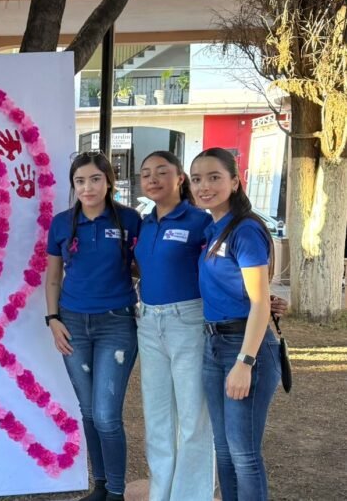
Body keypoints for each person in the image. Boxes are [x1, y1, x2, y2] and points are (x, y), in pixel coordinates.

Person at [45, 151, 142, 501]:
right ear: (73, 186)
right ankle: (99, 486)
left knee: (105, 413)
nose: (88, 187)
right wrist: (52, 319)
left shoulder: (131, 220)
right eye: (80, 181)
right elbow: (53, 277)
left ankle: (116, 492)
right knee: (88, 411)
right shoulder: (61, 223)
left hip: (116, 324)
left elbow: (147, 267)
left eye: (95, 179)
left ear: (108, 182)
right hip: (72, 324)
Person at [190, 147, 281, 501]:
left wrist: (245, 362)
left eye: (214, 177)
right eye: (197, 179)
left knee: (244, 454)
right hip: (214, 345)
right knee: (224, 449)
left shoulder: (244, 230)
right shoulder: (214, 228)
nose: (204, 186)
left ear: (235, 180)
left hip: (244, 347)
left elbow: (260, 301)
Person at [133, 151, 215, 501]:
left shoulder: (200, 221)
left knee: (193, 416)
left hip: (188, 321)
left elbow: (226, 267)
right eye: (146, 173)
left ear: (180, 178)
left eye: (161, 172)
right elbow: (143, 268)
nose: (152, 179)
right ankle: (162, 491)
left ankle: (191, 494)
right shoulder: (144, 222)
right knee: (157, 414)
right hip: (149, 322)